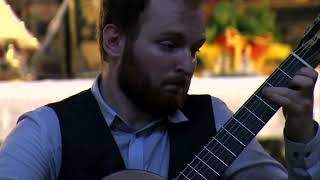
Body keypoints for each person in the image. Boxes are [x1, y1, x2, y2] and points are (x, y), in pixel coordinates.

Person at [0, 0, 319, 179]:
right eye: (169, 45)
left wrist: (302, 134)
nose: (187, 64)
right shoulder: (48, 131)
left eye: (193, 49)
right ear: (114, 42)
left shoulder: (216, 123)